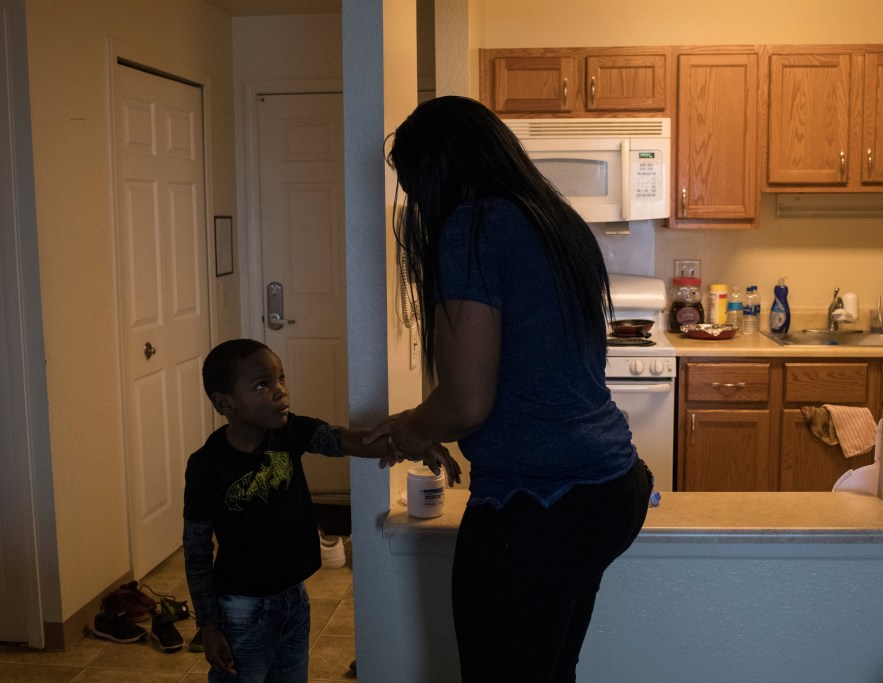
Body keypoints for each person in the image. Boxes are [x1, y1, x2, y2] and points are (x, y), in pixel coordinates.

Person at [370, 95, 653, 682]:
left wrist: (410, 428)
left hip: (538, 504)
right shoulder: (556, 220)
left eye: (415, 181)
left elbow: (467, 401)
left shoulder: (471, 226)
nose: (417, 200)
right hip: (610, 487)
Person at [183, 338, 459, 682]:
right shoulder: (206, 466)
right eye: (262, 385)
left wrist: (408, 442)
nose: (280, 391)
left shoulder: (290, 432)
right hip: (241, 611)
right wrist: (208, 624)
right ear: (225, 403)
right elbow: (196, 550)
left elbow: (344, 440)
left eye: (281, 378)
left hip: (293, 600)